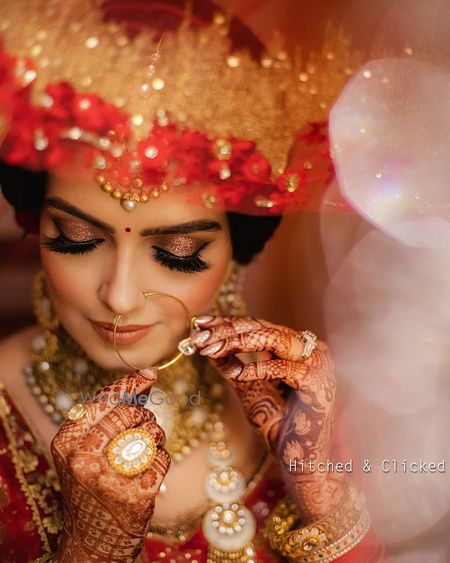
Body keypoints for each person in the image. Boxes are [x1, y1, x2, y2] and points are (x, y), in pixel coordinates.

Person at [0, 0, 383, 561]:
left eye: (178, 253)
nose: (121, 295)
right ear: (36, 223)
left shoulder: (303, 412)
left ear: (237, 248)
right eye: (78, 240)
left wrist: (321, 494)